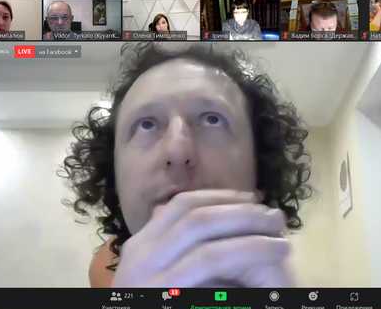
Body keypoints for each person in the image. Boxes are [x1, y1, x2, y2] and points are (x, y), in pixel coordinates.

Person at [60, 42, 311, 288]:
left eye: (212, 120)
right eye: (146, 125)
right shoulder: (103, 272)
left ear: (259, 168)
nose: (177, 150)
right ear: (115, 180)